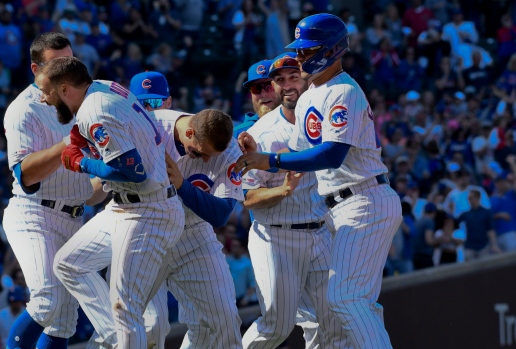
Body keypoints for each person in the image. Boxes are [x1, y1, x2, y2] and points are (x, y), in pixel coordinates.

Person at [235, 14, 403, 348]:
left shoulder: (343, 91)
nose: (300, 57)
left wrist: (271, 160)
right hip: (342, 208)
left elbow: (330, 155)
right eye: (299, 49)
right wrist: (259, 152)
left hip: (364, 199)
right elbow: (299, 155)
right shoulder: (313, 93)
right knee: (351, 302)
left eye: (307, 50)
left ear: (331, 50)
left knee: (345, 299)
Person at [38, 57, 184, 349]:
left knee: (125, 306)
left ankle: (121, 337)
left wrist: (82, 163)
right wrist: (86, 140)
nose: (43, 98)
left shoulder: (96, 110)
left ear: (65, 89)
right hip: (126, 204)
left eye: (47, 91)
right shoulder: (102, 86)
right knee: (69, 264)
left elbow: (135, 173)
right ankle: (113, 337)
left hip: (148, 209)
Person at [241, 53, 348, 348]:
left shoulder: (324, 117)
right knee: (277, 325)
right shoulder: (259, 134)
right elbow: (248, 198)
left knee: (334, 323)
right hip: (276, 236)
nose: (287, 85)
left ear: (306, 78)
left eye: (293, 77)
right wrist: (283, 190)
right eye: (279, 80)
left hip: (321, 233)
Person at [134, 71, 243, 348]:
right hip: (145, 231)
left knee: (225, 321)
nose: (206, 159)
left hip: (193, 234)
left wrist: (182, 185)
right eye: (143, 104)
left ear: (169, 100)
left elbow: (220, 214)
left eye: (155, 103)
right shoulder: (147, 127)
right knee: (147, 327)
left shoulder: (228, 151)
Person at [2, 33, 97, 349]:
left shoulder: (83, 100)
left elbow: (87, 189)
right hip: (35, 213)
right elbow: (25, 174)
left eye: (71, 61)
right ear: (35, 69)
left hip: (74, 216)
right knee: (46, 300)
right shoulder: (24, 109)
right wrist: (66, 144)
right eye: (57, 63)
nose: (66, 69)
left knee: (64, 321)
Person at [233, 59, 277, 139]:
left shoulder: (300, 122)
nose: (263, 94)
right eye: (256, 88)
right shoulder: (237, 135)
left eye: (269, 87)